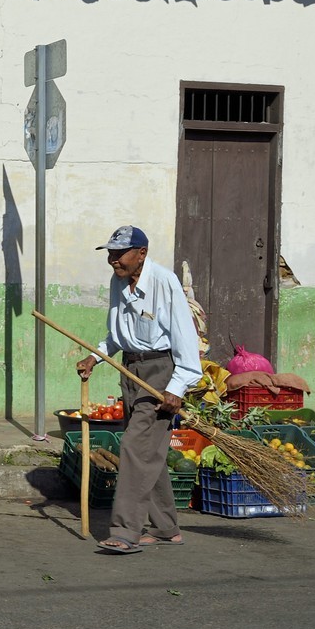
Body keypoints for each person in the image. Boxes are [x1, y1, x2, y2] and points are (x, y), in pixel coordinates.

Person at [78, 226, 203, 554]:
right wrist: (95, 358)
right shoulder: (118, 282)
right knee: (150, 452)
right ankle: (166, 528)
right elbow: (116, 334)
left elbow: (185, 340)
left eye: (119, 254)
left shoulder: (164, 282)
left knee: (134, 447)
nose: (112, 261)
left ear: (142, 253)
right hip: (131, 372)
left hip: (161, 374)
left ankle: (125, 531)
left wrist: (177, 388)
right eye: (110, 254)